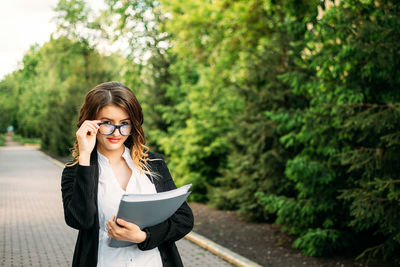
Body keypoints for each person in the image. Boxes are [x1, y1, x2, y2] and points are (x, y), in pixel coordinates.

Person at [61, 81, 193, 267]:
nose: (117, 132)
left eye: (124, 123)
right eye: (107, 123)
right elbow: (80, 220)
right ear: (90, 123)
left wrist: (144, 236)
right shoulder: (76, 170)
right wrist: (84, 157)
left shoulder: (153, 164)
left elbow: (184, 219)